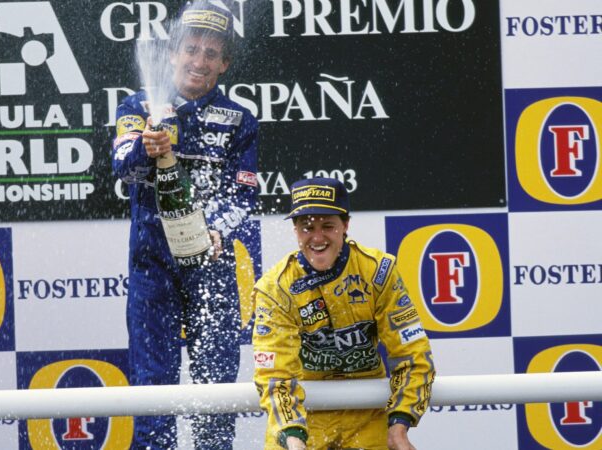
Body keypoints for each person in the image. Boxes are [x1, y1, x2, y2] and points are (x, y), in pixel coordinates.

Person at [111, 1, 259, 448]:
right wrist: (145, 150)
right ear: (173, 52)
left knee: (215, 396)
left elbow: (245, 196)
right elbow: (121, 168)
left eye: (212, 54)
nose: (200, 61)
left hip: (210, 267)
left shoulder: (240, 120)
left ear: (225, 64)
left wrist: (215, 229)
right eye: (191, 49)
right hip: (151, 267)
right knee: (153, 394)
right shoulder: (138, 106)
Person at [252, 177, 435, 450]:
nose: (317, 237)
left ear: (345, 225)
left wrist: (400, 425)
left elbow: (413, 356)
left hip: (366, 419)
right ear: (295, 230)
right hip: (302, 423)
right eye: (306, 227)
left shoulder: (377, 273)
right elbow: (275, 376)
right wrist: (292, 437)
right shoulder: (276, 288)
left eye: (327, 226)